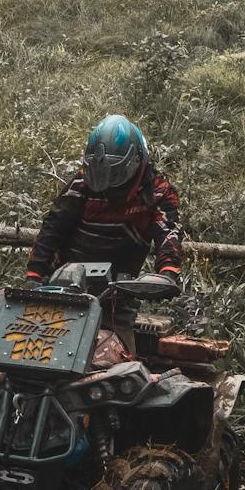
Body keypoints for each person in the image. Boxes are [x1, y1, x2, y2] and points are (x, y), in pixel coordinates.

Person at [27, 115, 185, 332]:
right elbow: (53, 228)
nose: (107, 181)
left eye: (116, 172)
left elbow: (168, 234)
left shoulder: (157, 192)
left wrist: (166, 274)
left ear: (137, 161)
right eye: (101, 172)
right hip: (62, 287)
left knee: (122, 352)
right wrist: (35, 275)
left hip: (118, 295)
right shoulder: (81, 184)